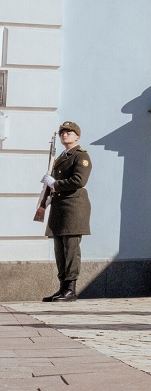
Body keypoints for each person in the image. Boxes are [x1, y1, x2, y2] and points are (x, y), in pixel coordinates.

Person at [40, 121, 92, 302]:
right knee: (59, 249)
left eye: (69, 132)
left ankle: (71, 289)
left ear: (77, 136)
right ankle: (62, 288)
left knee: (70, 249)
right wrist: (47, 196)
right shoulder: (61, 157)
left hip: (73, 207)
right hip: (60, 207)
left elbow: (79, 180)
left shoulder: (80, 156)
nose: (65, 135)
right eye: (62, 132)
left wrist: (55, 184)